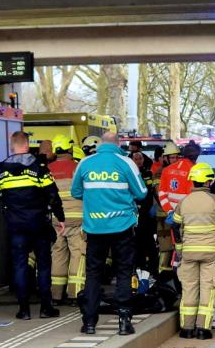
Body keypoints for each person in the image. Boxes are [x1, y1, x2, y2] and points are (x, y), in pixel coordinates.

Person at [71, 132, 147, 335]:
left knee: (93, 274)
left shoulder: (85, 163)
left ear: (100, 144)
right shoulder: (126, 163)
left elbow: (76, 192)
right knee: (123, 272)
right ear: (118, 144)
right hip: (122, 226)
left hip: (94, 228)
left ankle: (89, 322)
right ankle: (123, 321)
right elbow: (141, 192)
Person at [0, 131, 64, 320]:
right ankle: (46, 308)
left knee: (20, 266)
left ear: (12, 145)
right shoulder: (38, 166)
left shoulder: (2, 168)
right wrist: (60, 217)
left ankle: (24, 310)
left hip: (15, 225)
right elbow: (52, 193)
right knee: (44, 265)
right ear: (27, 144)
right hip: (39, 223)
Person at [171, 163, 215, 340]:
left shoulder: (183, 202)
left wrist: (180, 250)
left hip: (188, 253)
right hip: (210, 254)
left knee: (189, 289)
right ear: (208, 181)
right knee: (208, 289)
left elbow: (175, 225)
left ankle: (187, 329)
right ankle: (203, 329)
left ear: (193, 181)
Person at [48, 135, 86, 306]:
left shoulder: (48, 169)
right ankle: (75, 294)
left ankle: (56, 295)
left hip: (56, 220)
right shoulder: (78, 168)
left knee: (58, 254)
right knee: (78, 255)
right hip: (78, 220)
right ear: (70, 148)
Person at [155, 141, 193, 277]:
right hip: (169, 216)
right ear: (165, 158)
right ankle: (171, 273)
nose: (174, 160)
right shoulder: (164, 172)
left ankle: (178, 271)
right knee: (170, 246)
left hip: (181, 215)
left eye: (176, 157)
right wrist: (170, 211)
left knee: (180, 246)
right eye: (171, 157)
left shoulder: (182, 169)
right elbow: (161, 193)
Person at [133, 151, 158, 274]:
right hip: (135, 213)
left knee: (150, 242)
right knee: (137, 243)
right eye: (136, 159)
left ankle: (152, 269)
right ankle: (139, 267)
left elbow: (153, 191)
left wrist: (155, 206)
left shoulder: (148, 173)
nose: (138, 161)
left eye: (140, 158)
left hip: (148, 213)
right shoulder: (130, 174)